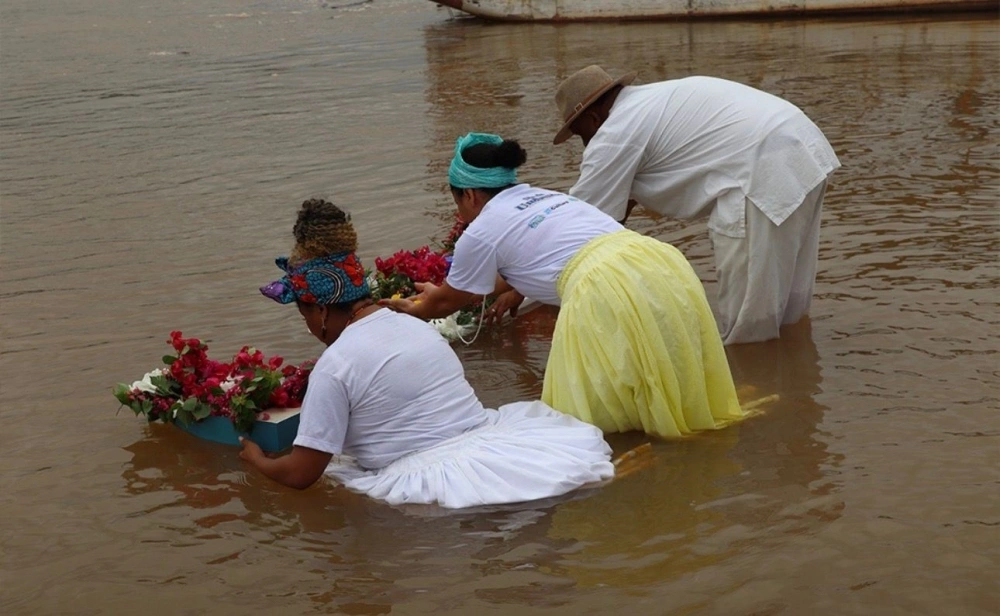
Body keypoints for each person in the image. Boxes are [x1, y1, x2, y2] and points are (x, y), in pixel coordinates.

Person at [240, 198, 614, 509]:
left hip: (423, 477)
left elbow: (301, 475)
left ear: (320, 311)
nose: (308, 325)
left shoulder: (335, 366)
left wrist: (256, 460)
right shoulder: (417, 327)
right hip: (493, 445)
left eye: (304, 315)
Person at [381, 133, 745, 439]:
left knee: (588, 414)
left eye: (457, 202)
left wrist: (413, 308)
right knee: (659, 373)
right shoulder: (549, 197)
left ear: (469, 195)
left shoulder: (480, 230)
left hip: (603, 285)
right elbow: (536, 258)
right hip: (659, 263)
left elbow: (448, 302)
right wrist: (510, 287)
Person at [553, 65, 841, 345]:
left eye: (580, 135)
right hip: (803, 149)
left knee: (748, 321)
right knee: (788, 300)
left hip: (761, 171)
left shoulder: (613, 135)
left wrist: (544, 292)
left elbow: (581, 224)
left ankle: (755, 371)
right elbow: (615, 211)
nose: (585, 145)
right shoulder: (651, 103)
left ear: (593, 119)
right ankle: (797, 366)